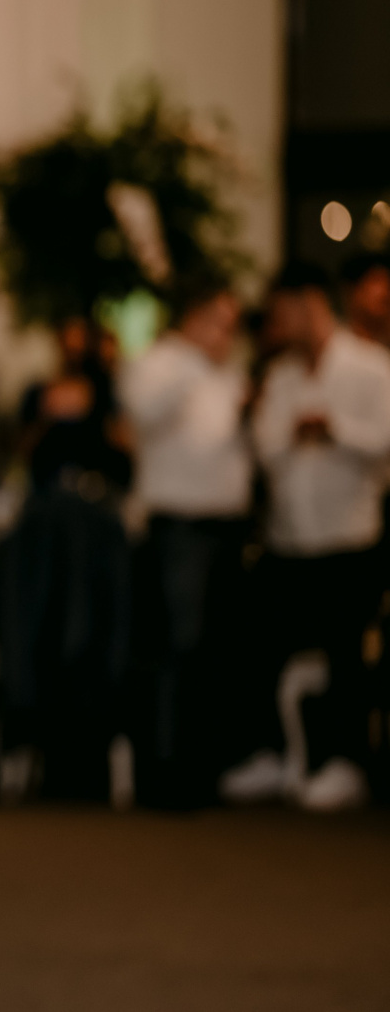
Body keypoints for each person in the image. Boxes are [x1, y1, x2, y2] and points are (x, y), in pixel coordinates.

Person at [231, 263, 390, 810]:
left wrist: (333, 428)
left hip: (350, 537)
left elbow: (384, 440)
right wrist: (296, 432)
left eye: (282, 313)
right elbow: (264, 445)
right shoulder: (281, 376)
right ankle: (272, 756)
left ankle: (344, 763)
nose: (276, 326)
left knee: (345, 655)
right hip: (290, 538)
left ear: (310, 305)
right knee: (260, 647)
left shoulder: (371, 367)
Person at [118, 279, 252, 807]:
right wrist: (198, 363)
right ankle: (166, 772)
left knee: (217, 649)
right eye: (220, 322)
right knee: (179, 646)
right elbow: (145, 412)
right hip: (179, 526)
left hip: (228, 523)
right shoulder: (158, 363)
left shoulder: (229, 370)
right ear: (194, 318)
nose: (227, 335)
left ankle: (206, 768)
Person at [1, 316, 134, 800]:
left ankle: (88, 754)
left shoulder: (110, 398)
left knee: (94, 632)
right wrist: (46, 416)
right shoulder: (37, 393)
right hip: (45, 534)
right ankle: (37, 744)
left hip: (96, 532)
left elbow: (126, 464)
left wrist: (101, 412)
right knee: (41, 629)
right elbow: (18, 455)